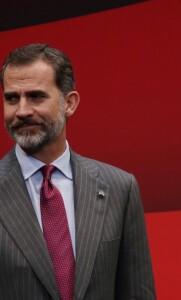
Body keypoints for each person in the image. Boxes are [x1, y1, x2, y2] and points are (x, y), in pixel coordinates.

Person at [0, 43, 156, 300]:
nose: (22, 111)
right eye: (12, 98)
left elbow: (138, 292)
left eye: (36, 96)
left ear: (69, 103)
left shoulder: (119, 187)